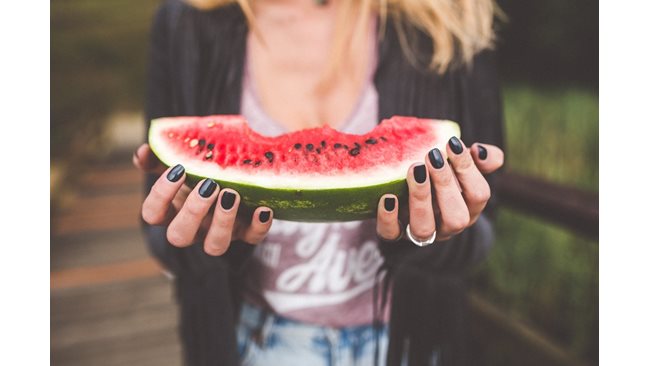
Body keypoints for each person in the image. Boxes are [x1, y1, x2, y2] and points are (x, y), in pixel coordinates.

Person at [132, 0, 505, 365]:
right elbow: (160, 234)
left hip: (414, 343)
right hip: (255, 341)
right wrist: (211, 240)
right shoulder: (185, 23)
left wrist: (425, 235)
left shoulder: (448, 18)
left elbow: (484, 233)